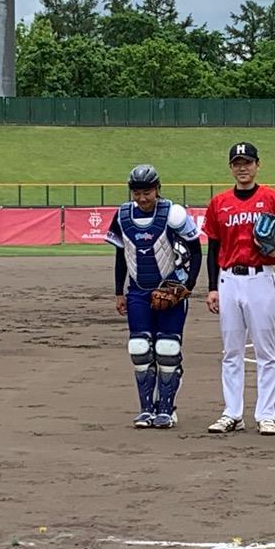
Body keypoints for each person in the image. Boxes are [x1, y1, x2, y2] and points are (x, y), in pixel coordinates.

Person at [204, 142, 275, 436]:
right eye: (237, 163)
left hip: (260, 278)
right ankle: (232, 413)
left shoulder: (272, 198)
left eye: (247, 162)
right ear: (230, 168)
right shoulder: (219, 202)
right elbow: (213, 247)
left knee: (265, 351)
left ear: (258, 165)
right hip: (228, 279)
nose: (242, 168)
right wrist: (212, 287)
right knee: (231, 351)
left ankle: (266, 415)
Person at [106, 164, 202, 429]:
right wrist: (119, 291)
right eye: (136, 193)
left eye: (147, 192)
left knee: (167, 349)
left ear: (157, 189)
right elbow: (121, 256)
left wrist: (188, 285)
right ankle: (146, 409)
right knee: (139, 349)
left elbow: (195, 250)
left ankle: (167, 409)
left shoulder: (173, 214)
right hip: (137, 291)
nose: (142, 198)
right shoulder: (122, 215)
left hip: (170, 291)